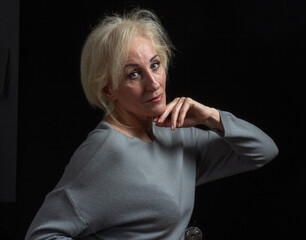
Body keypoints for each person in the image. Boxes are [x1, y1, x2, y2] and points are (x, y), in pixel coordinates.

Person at [25, 8, 278, 240]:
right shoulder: (104, 152)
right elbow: (41, 236)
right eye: (133, 74)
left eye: (155, 65)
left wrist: (210, 117)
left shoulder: (176, 134)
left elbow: (263, 151)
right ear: (108, 88)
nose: (153, 83)